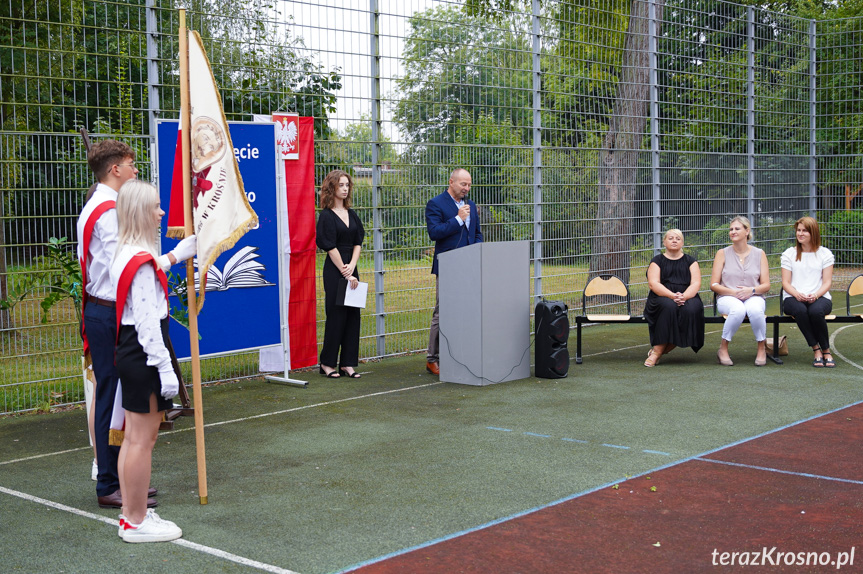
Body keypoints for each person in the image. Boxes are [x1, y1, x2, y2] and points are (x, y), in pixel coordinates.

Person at [77, 139, 195, 509]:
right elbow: (129, 273)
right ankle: (111, 482)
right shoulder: (110, 210)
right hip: (114, 311)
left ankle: (121, 479)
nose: (135, 170)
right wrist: (174, 256)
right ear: (115, 170)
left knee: (115, 399)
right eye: (131, 164)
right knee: (115, 401)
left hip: (106, 308)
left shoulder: (99, 203)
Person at [109, 180, 184, 542]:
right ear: (140, 212)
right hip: (144, 352)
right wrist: (166, 368)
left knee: (134, 438)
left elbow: (148, 270)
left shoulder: (128, 252)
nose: (161, 212)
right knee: (142, 440)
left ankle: (131, 515)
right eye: (155, 206)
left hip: (132, 351)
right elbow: (147, 324)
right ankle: (136, 521)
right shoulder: (138, 260)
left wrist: (174, 256)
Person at [425, 168, 483, 375]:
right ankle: (432, 358)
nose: (466, 188)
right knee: (442, 312)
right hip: (448, 266)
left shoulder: (472, 205)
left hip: (469, 266)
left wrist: (477, 251)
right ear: (451, 182)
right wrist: (458, 219)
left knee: (467, 309)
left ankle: (461, 353)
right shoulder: (436, 204)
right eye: (463, 184)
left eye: (469, 185)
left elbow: (477, 233)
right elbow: (435, 233)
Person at [316, 170, 365, 378]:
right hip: (335, 270)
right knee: (336, 316)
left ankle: (347, 363)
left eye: (347, 185)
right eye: (341, 185)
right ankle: (327, 363)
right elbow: (329, 245)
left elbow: (358, 242)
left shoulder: (352, 214)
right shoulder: (326, 216)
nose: (345, 189)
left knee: (353, 316)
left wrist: (352, 267)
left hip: (351, 269)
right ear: (332, 188)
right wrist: (346, 272)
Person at [710, 216, 771, 366]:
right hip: (727, 297)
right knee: (738, 309)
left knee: (756, 310)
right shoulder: (722, 253)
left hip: (754, 295)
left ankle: (761, 347)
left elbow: (766, 285)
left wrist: (752, 290)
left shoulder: (759, 253)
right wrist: (733, 292)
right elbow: (714, 284)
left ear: (747, 231)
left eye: (737, 229)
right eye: (731, 229)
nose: (733, 232)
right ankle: (723, 348)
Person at [643, 228, 705, 367]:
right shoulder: (657, 261)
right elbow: (654, 284)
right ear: (664, 242)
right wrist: (672, 296)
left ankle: (661, 349)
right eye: (670, 238)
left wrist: (684, 297)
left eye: (678, 238)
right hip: (661, 296)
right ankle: (657, 353)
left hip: (687, 295)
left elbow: (696, 283)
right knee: (669, 307)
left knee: (692, 309)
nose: (674, 241)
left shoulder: (691, 261)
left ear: (682, 242)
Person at [781, 216, 836, 368]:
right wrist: (797, 294)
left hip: (820, 296)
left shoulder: (825, 254)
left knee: (816, 311)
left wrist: (816, 295)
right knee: (800, 310)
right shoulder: (789, 254)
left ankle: (826, 350)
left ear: (813, 233)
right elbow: (785, 282)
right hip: (793, 297)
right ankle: (816, 349)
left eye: (804, 231)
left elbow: (827, 282)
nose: (800, 234)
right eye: (798, 230)